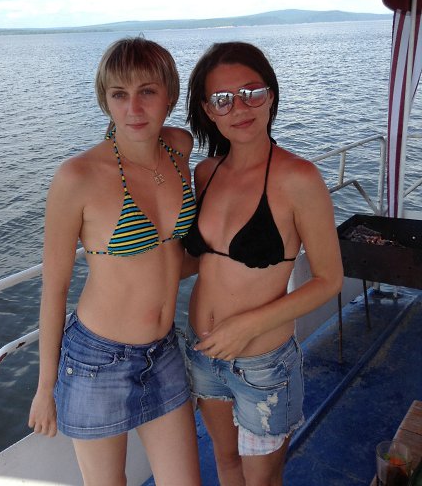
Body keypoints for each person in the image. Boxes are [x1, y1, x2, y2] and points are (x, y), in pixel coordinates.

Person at [28, 37, 201, 486]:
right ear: (105, 100)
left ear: (169, 95)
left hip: (164, 352)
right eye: (119, 94)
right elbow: (55, 289)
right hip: (96, 361)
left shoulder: (179, 148)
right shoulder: (78, 177)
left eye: (147, 91)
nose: (134, 108)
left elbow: (171, 255)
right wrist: (45, 387)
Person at [182, 41, 343, 486]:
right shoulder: (205, 173)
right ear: (208, 111)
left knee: (261, 481)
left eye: (251, 92)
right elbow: (199, 259)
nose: (240, 107)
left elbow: (329, 279)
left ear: (270, 94)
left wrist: (247, 326)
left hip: (263, 365)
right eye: (223, 99)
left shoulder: (299, 178)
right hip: (203, 350)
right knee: (225, 462)